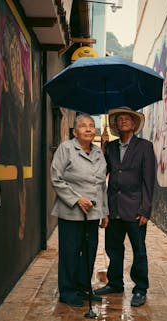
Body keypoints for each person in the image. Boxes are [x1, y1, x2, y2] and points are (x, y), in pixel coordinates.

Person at [94, 107, 155, 307]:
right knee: (113, 247)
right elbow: (102, 173)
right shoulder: (110, 147)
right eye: (119, 119)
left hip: (135, 209)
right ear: (116, 125)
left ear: (134, 123)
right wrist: (102, 152)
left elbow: (149, 181)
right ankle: (115, 283)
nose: (123, 121)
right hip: (114, 208)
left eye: (127, 118)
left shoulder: (145, 147)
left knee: (139, 250)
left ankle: (140, 289)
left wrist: (145, 209)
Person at [51, 114, 109, 307]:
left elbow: (101, 186)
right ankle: (67, 291)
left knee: (89, 251)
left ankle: (84, 288)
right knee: (70, 252)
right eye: (83, 126)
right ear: (75, 131)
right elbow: (56, 179)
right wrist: (76, 199)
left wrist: (104, 212)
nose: (88, 129)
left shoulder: (99, 153)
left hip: (92, 214)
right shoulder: (66, 149)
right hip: (71, 213)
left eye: (92, 126)